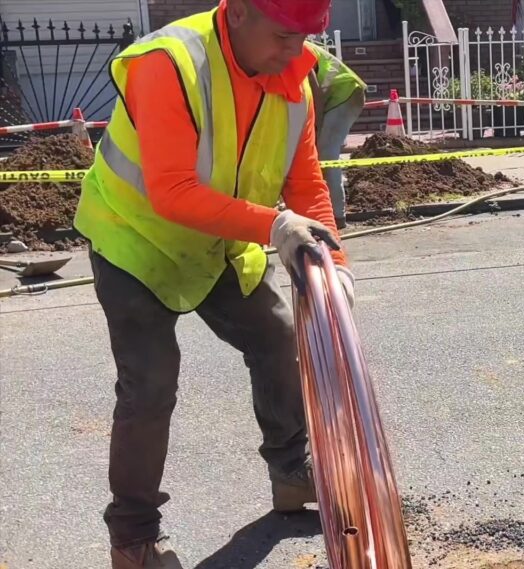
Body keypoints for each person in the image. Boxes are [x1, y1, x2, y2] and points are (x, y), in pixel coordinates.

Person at [72, 1, 355, 567]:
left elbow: (305, 183)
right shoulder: (170, 63)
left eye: (306, 38)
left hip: (220, 241)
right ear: (242, 12)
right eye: (283, 36)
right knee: (149, 384)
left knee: (277, 338)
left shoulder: (293, 75)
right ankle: (133, 541)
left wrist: (334, 265)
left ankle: (290, 474)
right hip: (136, 240)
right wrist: (272, 225)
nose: (296, 54)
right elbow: (172, 191)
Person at [306, 40, 367, 227]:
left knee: (326, 153)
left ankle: (337, 217)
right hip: (339, 94)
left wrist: (315, 127)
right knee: (322, 154)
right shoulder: (284, 43)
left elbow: (315, 94)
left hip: (345, 93)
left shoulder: (293, 48)